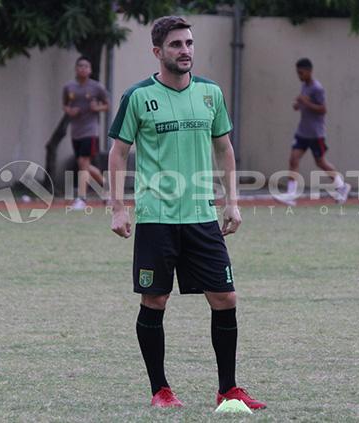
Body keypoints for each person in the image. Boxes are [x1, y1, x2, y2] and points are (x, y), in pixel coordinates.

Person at [107, 16, 266, 410]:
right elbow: (118, 153)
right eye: (176, 45)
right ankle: (160, 391)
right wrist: (117, 207)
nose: (186, 51)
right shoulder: (138, 97)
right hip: (157, 218)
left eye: (190, 43)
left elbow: (225, 149)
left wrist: (232, 201)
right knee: (155, 301)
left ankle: (228, 389)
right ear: (158, 52)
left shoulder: (210, 93)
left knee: (226, 297)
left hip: (201, 216)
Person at [276, 57, 350, 206]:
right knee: (293, 159)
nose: (299, 76)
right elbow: (304, 103)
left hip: (316, 134)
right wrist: (298, 105)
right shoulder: (304, 86)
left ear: (309, 71)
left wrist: (305, 102)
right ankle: (291, 194)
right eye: (297, 73)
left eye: (301, 73)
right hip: (302, 132)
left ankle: (342, 186)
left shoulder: (317, 88)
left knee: (321, 162)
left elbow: (323, 109)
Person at [62, 56, 109, 210]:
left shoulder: (97, 87)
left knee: (83, 164)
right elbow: (65, 105)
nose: (83, 69)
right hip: (76, 132)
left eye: (86, 66)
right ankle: (107, 189)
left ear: (90, 70)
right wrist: (69, 110)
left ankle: (81, 199)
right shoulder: (69, 87)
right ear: (76, 69)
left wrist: (97, 108)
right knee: (84, 164)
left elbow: (107, 105)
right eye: (80, 66)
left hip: (90, 131)